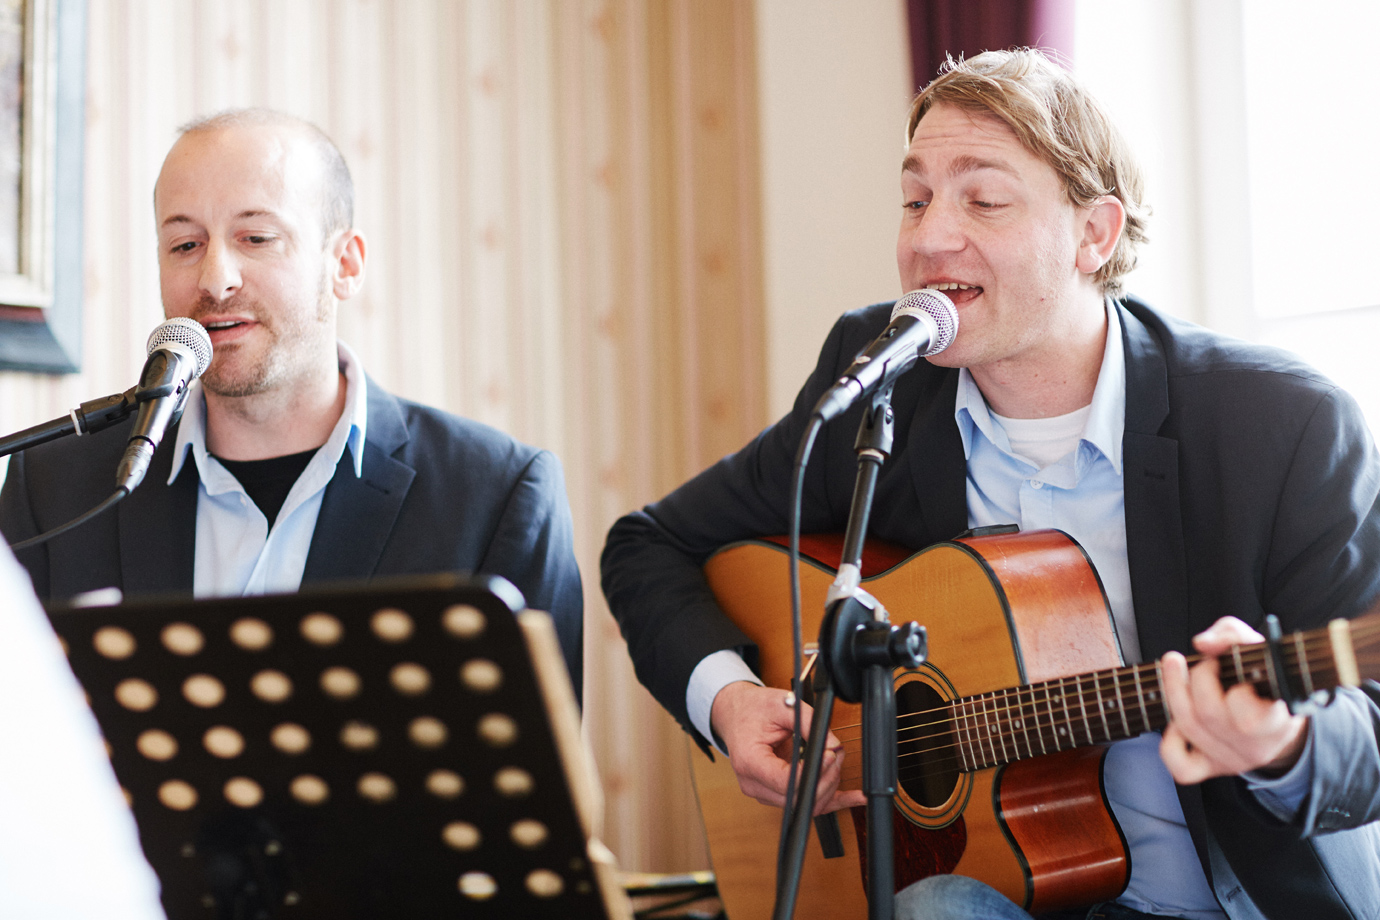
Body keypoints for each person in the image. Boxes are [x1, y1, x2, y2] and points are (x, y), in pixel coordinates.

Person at [601, 50, 1380, 918]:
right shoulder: (882, 383)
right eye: (915, 197)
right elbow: (649, 544)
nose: (930, 238)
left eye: (984, 199)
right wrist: (733, 701)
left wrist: (1284, 744)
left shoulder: (1278, 424)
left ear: (1096, 234)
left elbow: (1372, 728)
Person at [0, 109, 583, 695]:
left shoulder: (498, 495)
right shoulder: (52, 490)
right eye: (184, 244)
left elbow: (535, 773)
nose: (215, 279)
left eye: (256, 238)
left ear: (345, 265)